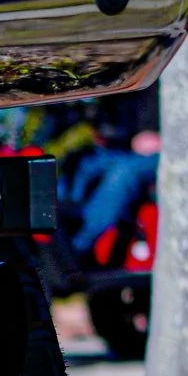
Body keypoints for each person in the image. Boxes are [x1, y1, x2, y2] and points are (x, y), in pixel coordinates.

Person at [58, 87, 161, 264]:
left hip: (154, 152)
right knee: (81, 163)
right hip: (120, 148)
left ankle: (80, 246)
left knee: (122, 173)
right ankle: (59, 233)